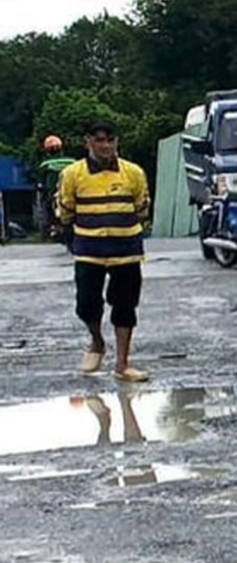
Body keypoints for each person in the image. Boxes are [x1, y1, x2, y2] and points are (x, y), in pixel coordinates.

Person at [56, 120, 151, 382]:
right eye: (99, 140)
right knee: (87, 304)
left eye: (110, 140)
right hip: (89, 249)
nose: (106, 145)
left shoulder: (133, 173)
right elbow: (66, 210)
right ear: (88, 142)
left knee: (125, 305)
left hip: (126, 249)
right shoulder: (73, 174)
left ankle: (122, 364)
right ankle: (97, 342)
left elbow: (142, 208)